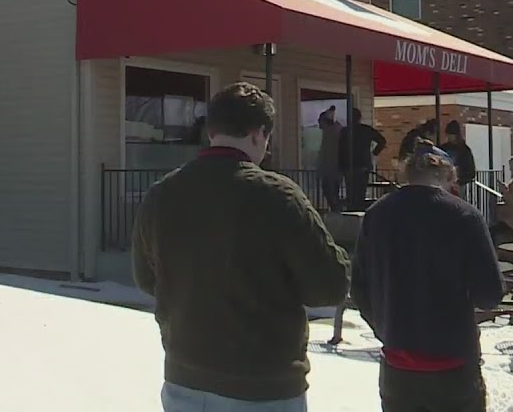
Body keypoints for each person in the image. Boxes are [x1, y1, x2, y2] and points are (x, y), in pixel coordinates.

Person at [132, 82, 351, 411]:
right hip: (263, 386)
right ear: (258, 134)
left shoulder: (162, 194)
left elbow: (146, 279)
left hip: (185, 379)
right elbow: (329, 286)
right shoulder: (278, 196)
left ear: (211, 132)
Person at [351, 139, 504, 412]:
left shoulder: (376, 215)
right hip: (453, 361)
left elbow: (359, 287)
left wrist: (383, 326)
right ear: (448, 176)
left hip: (398, 362)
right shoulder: (465, 216)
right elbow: (490, 294)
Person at [338, 108, 388, 211]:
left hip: (349, 166)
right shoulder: (366, 130)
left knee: (350, 192)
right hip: (363, 165)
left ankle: (352, 211)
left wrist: (340, 165)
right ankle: (359, 211)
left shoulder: (345, 131)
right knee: (360, 192)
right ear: (360, 118)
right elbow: (382, 141)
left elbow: (341, 150)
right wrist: (374, 153)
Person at [316, 107, 344, 211]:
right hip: (328, 169)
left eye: (320, 121)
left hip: (334, 169)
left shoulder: (335, 131)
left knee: (331, 191)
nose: (319, 124)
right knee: (328, 191)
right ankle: (335, 210)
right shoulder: (328, 133)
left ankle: (336, 211)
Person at [441, 120, 478, 187]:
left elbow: (471, 171)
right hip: (444, 183)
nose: (448, 137)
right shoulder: (444, 148)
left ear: (456, 135)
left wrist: (460, 181)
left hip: (458, 184)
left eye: (450, 135)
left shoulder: (465, 150)